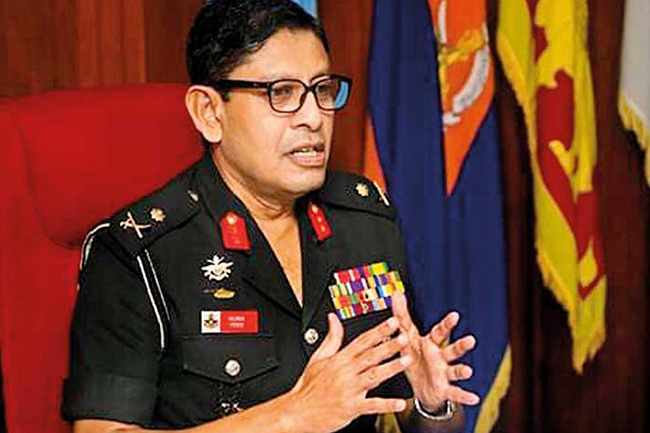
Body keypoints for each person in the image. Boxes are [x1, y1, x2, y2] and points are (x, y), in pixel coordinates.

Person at [62, 1, 480, 432]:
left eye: (321, 90)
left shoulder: (367, 219)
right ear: (210, 112)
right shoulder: (137, 253)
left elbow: (406, 412)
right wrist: (292, 415)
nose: (315, 118)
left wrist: (431, 406)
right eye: (281, 93)